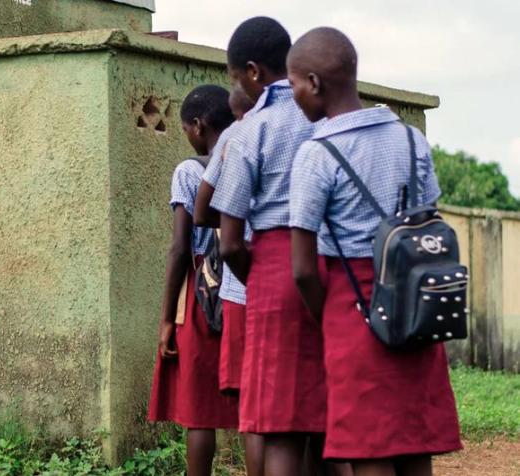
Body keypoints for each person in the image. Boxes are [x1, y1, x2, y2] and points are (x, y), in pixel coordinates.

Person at [288, 27, 462, 475]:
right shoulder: (411, 140)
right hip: (416, 303)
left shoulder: (318, 153)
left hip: (354, 305)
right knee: (413, 442)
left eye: (292, 86)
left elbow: (304, 269)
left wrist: (330, 318)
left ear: (314, 83)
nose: (294, 97)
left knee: (370, 448)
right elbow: (428, 224)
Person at [209, 17, 329, 476]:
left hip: (275, 271)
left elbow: (230, 240)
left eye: (236, 78)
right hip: (329, 268)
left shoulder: (249, 130)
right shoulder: (324, 116)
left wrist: (257, 279)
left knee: (276, 423)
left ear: (254, 73)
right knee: (322, 414)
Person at [148, 84, 239, 476]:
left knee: (199, 411)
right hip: (241, 281)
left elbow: (180, 247)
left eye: (186, 128)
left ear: (198, 127)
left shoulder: (189, 170)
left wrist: (167, 317)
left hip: (201, 292)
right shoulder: (245, 161)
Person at [193, 84, 266, 476]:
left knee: (253, 412)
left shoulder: (238, 137)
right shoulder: (308, 124)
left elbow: (203, 214)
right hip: (297, 279)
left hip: (243, 285)